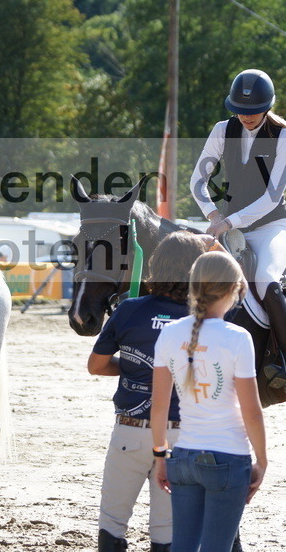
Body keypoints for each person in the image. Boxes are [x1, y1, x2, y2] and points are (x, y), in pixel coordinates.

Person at [88, 232, 211, 552]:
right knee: (167, 532)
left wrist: (133, 367)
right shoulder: (206, 319)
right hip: (182, 435)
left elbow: (96, 366)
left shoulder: (129, 309)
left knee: (112, 524)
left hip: (131, 430)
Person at [189, 68, 286, 398]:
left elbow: (272, 196)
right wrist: (212, 213)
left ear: (268, 107)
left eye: (253, 111)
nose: (247, 116)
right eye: (241, 110)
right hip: (228, 229)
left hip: (271, 228)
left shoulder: (284, 137)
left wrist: (229, 220)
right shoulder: (222, 130)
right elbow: (197, 180)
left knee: (266, 279)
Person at [151, 252, 266, 552]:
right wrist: (263, 460)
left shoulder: (168, 334)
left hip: (184, 457)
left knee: (183, 547)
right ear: (235, 289)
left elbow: (160, 408)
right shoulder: (238, 337)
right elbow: (252, 412)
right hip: (228, 458)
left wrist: (160, 456)